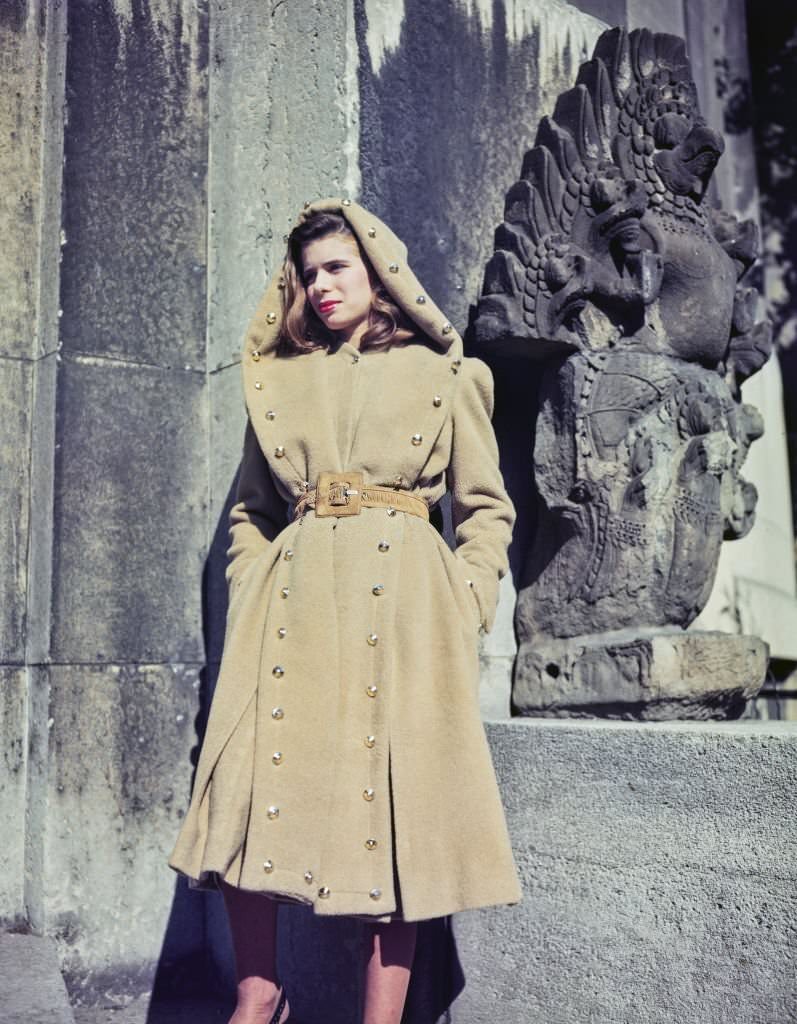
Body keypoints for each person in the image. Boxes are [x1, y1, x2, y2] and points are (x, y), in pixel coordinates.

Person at [169, 198, 521, 1024]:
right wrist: (254, 583)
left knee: (397, 808)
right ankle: (258, 998)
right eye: (308, 274)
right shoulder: (279, 381)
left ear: (380, 273)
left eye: (338, 268)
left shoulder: (447, 375)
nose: (321, 287)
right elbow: (249, 511)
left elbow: (484, 509)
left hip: (405, 610)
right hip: (289, 606)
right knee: (246, 789)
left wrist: (463, 603)